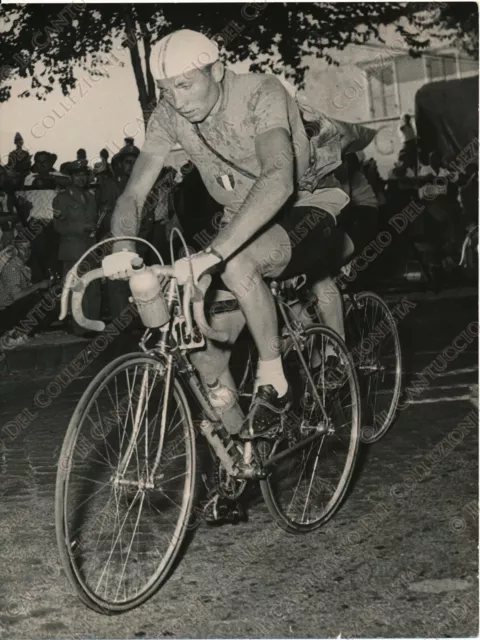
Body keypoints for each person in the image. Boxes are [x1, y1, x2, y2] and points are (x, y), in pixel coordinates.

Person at [109, 29, 380, 441]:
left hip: (306, 206)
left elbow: (277, 179)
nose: (177, 100)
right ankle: (242, 458)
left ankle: (276, 381)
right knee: (202, 352)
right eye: (166, 90)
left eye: (185, 84)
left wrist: (213, 254)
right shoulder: (169, 114)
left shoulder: (260, 91)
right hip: (242, 222)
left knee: (237, 263)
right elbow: (133, 193)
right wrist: (123, 249)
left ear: (217, 69)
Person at [53, 161, 101, 335]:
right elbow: (58, 227)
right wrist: (82, 227)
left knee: (93, 287)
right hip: (73, 250)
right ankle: (78, 328)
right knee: (77, 288)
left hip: (90, 248)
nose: (82, 178)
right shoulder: (62, 198)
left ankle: (93, 325)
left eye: (84, 175)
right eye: (77, 175)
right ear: (71, 177)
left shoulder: (90, 197)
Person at [18, 151, 70, 282]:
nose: (42, 165)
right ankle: (40, 285)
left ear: (50, 163)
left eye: (45, 162)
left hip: (53, 221)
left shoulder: (57, 175)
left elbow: (69, 182)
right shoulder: (29, 178)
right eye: (39, 162)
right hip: (35, 222)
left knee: (54, 254)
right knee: (37, 256)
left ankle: (54, 283)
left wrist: (48, 178)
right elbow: (21, 201)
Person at [0, 234, 50, 342]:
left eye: (28, 248)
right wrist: (38, 285)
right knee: (34, 300)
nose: (26, 252)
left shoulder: (24, 267)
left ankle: (26, 332)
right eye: (22, 249)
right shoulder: (11, 268)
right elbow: (16, 296)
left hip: (12, 309)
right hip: (5, 313)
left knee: (44, 299)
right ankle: (18, 332)